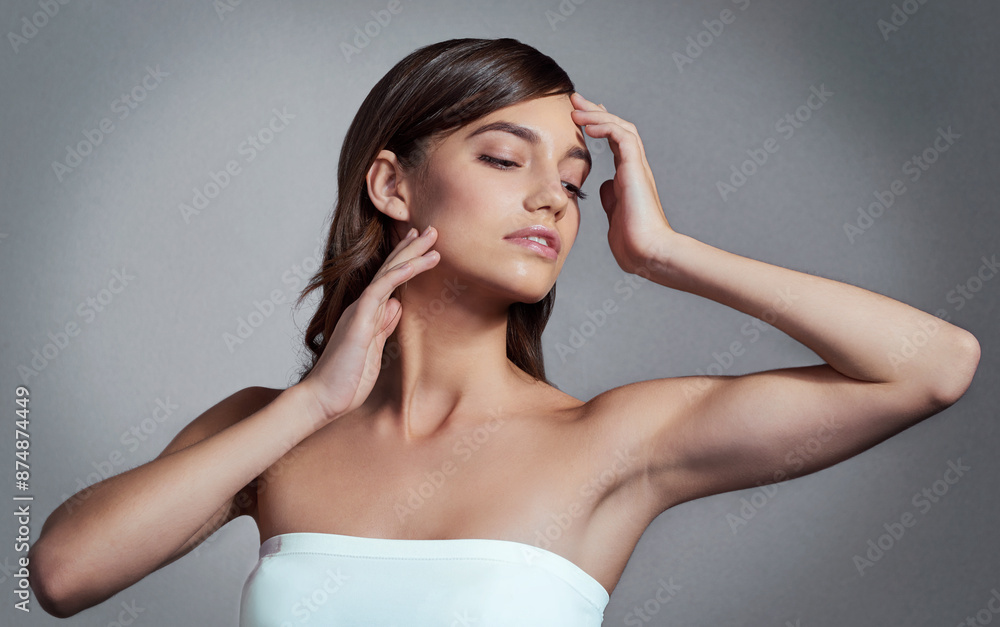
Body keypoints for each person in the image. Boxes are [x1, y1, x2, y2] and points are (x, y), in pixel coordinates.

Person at [29, 37, 980, 625]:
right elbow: (64, 573)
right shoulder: (269, 430)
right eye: (502, 158)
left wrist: (668, 254)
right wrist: (314, 402)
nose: (551, 199)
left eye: (571, 180)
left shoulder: (613, 439)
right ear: (393, 185)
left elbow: (935, 366)